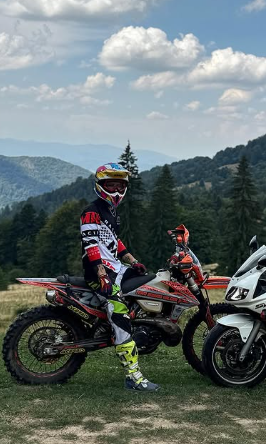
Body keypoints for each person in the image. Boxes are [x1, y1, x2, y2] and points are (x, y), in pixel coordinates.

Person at [81, 162, 160, 392]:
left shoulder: (111, 211)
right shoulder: (91, 212)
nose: (116, 190)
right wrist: (102, 275)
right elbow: (91, 245)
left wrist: (133, 262)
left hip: (115, 268)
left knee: (148, 283)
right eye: (111, 185)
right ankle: (133, 377)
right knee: (120, 314)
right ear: (100, 185)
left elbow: (114, 241)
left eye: (120, 186)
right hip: (99, 273)